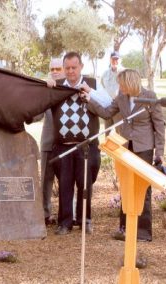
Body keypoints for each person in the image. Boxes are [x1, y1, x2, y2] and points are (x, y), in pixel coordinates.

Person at [84, 69, 165, 242]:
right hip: (126, 148)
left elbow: (159, 126)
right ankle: (124, 229)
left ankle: (142, 233)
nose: (119, 86)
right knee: (127, 186)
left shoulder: (150, 96)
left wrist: (160, 152)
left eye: (121, 83)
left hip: (144, 147)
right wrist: (90, 101)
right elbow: (106, 113)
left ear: (130, 82)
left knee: (143, 188)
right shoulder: (121, 98)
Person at [47, 51, 112, 235]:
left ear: (81, 66)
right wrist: (47, 86)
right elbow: (41, 102)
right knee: (65, 184)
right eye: (67, 68)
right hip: (63, 147)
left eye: (74, 67)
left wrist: (89, 92)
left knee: (85, 185)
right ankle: (65, 223)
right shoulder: (57, 86)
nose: (70, 71)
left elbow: (108, 104)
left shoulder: (92, 83)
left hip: (87, 147)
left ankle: (85, 220)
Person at [41, 58, 65, 226]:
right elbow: (35, 114)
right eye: (52, 68)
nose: (55, 71)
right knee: (45, 180)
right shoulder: (44, 88)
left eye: (58, 68)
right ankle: (44, 214)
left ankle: (66, 216)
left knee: (67, 181)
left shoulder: (69, 88)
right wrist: (44, 93)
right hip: (48, 142)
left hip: (67, 143)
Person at [101, 51, 122, 135]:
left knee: (120, 133)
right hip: (108, 106)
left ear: (120, 60)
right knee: (107, 132)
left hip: (120, 107)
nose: (115, 61)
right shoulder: (105, 74)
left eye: (117, 59)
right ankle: (106, 148)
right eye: (113, 59)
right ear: (110, 60)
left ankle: (121, 148)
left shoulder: (125, 73)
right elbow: (102, 88)